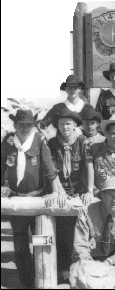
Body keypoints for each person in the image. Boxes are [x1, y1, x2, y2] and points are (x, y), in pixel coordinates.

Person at [1, 109, 59, 288]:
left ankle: (41, 280)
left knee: (41, 242)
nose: (25, 128)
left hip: (37, 199)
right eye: (21, 125)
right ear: (15, 125)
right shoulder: (8, 141)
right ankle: (26, 283)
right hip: (16, 201)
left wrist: (56, 191)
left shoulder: (39, 140)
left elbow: (49, 167)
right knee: (20, 246)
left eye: (29, 125)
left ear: (33, 125)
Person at [47, 108, 87, 281]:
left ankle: (80, 270)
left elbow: (88, 168)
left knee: (79, 233)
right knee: (62, 232)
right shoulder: (51, 143)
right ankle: (62, 270)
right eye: (61, 124)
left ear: (75, 125)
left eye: (68, 124)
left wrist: (85, 191)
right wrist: (59, 191)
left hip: (78, 192)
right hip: (58, 191)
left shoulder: (83, 142)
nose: (65, 127)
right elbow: (50, 170)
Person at [72, 177, 115, 281]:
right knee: (80, 268)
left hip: (114, 262)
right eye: (111, 196)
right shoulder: (86, 212)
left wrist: (110, 261)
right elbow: (80, 246)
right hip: (90, 262)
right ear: (102, 195)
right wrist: (92, 267)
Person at [85, 114, 115, 191]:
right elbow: (86, 172)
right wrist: (91, 190)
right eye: (113, 133)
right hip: (99, 193)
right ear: (106, 133)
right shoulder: (94, 149)